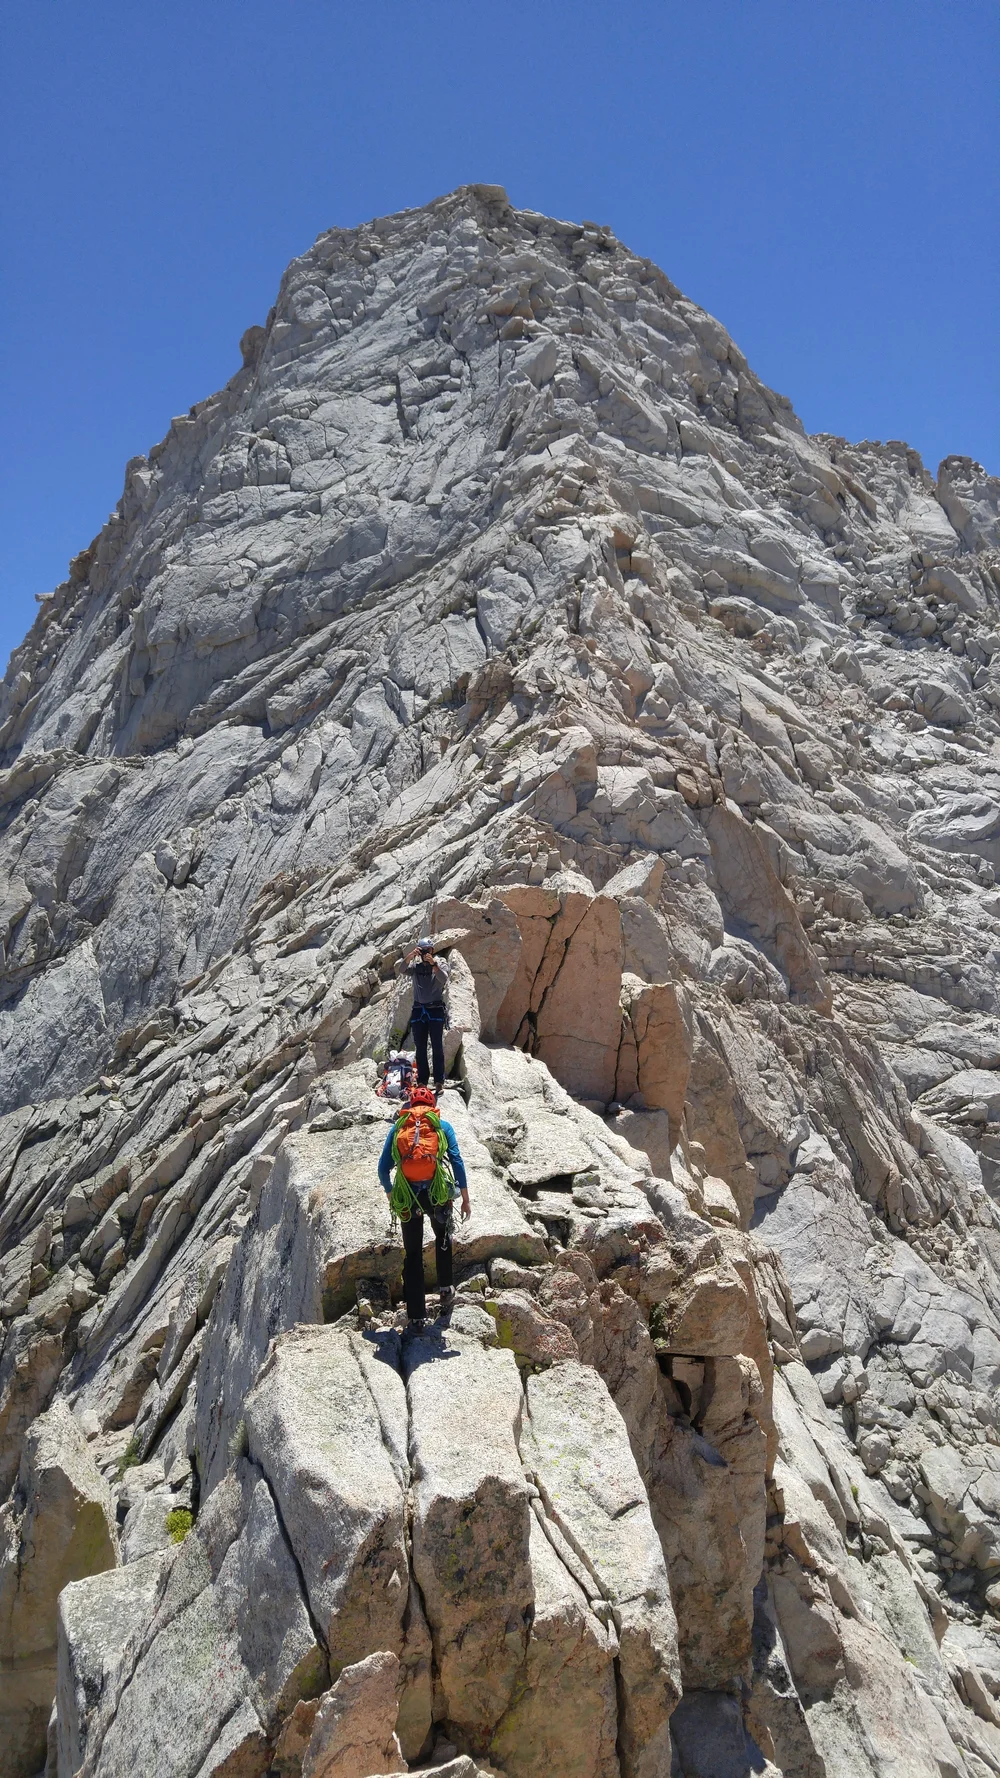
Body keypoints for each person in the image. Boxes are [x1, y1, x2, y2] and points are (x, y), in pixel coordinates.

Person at [378, 1085, 471, 1328]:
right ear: (432, 1107)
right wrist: (465, 1198)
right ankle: (446, 1290)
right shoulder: (441, 1126)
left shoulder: (399, 1127)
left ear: (409, 1105)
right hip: (436, 1193)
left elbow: (382, 1168)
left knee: (413, 1254)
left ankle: (417, 1317)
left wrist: (391, 1195)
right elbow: (457, 1161)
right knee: (442, 1237)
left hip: (408, 1197)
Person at [397, 937, 450, 1091]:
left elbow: (444, 978)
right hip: (419, 1009)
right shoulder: (416, 965)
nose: (426, 952)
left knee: (437, 1046)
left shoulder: (440, 962)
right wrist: (409, 956)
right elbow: (401, 969)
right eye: (423, 950)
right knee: (420, 1047)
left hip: (435, 1009)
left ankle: (439, 1081)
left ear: (432, 950)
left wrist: (433, 964)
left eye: (428, 949)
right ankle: (422, 1081)